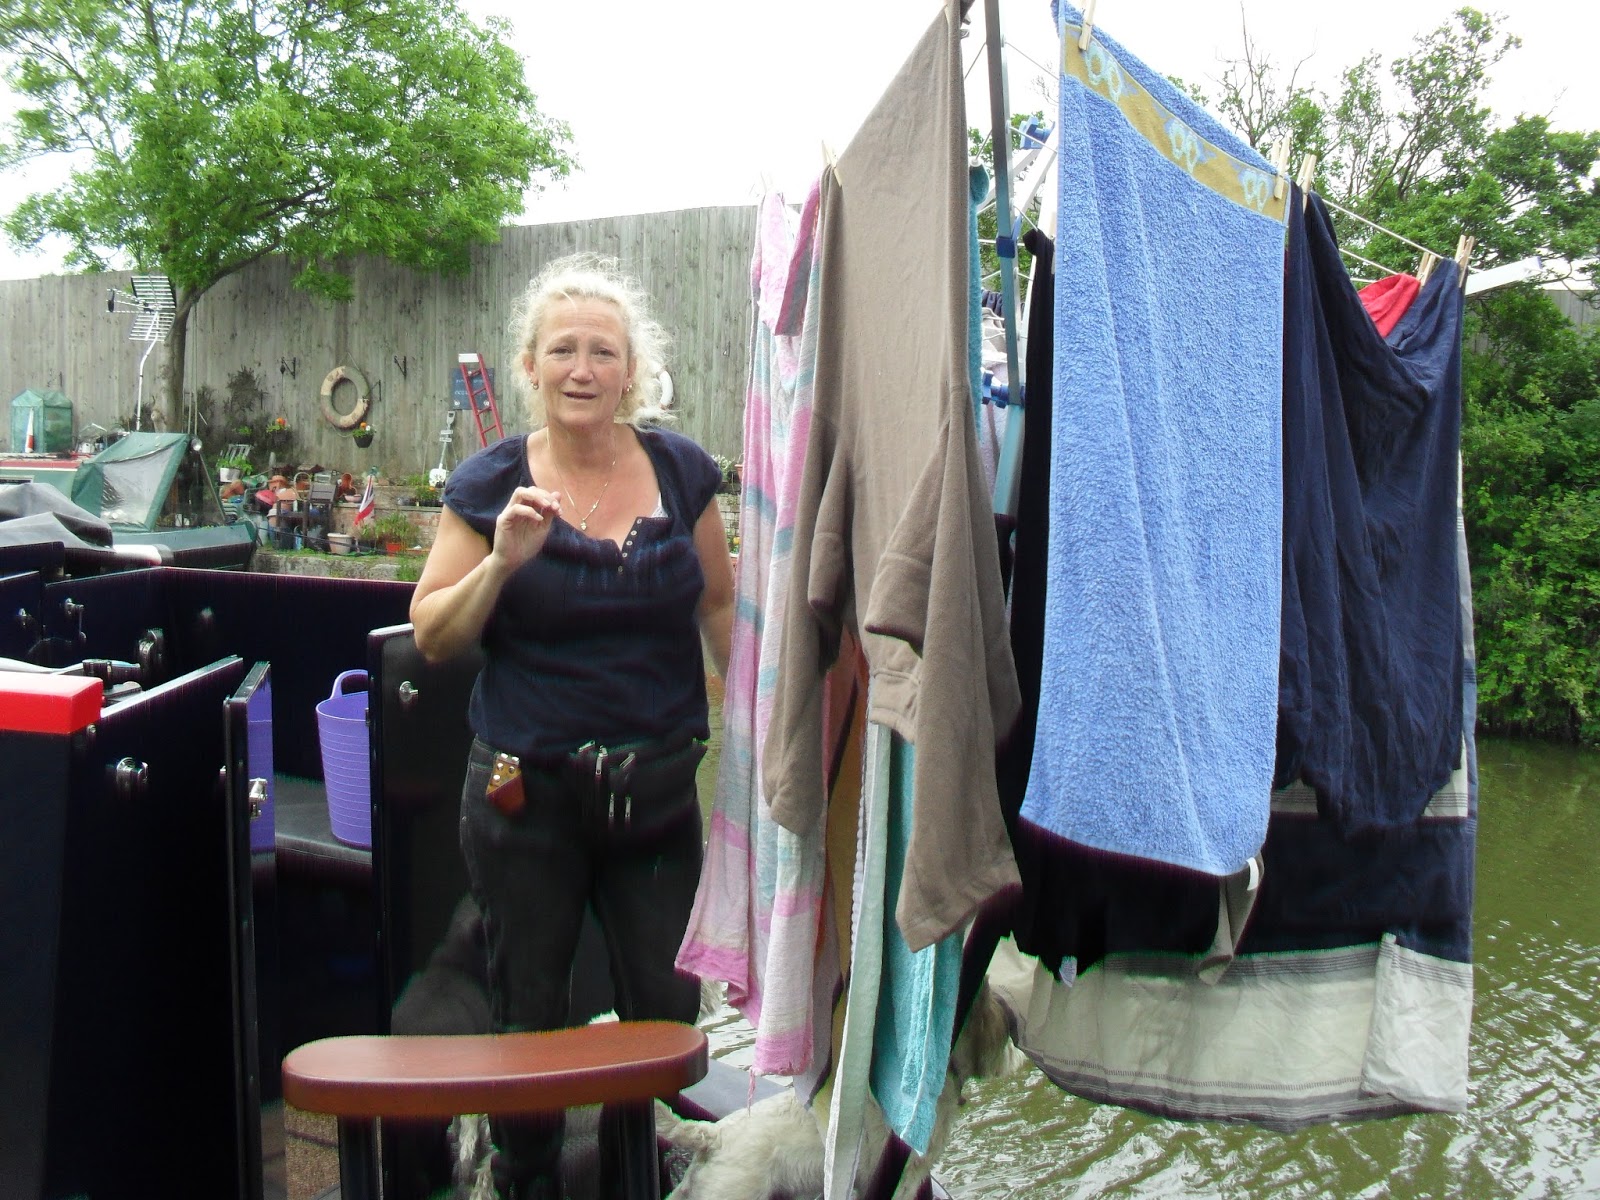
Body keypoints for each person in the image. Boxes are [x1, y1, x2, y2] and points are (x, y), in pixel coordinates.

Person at [410, 251, 734, 1200]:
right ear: (530, 367)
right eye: (563, 351)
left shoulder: (682, 472)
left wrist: (759, 728)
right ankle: (526, 1182)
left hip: (658, 796)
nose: (583, 368)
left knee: (667, 1012)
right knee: (531, 1016)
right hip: (526, 799)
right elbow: (433, 634)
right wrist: (503, 563)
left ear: (634, 370)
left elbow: (720, 608)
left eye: (603, 351)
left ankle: (644, 1170)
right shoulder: (488, 484)